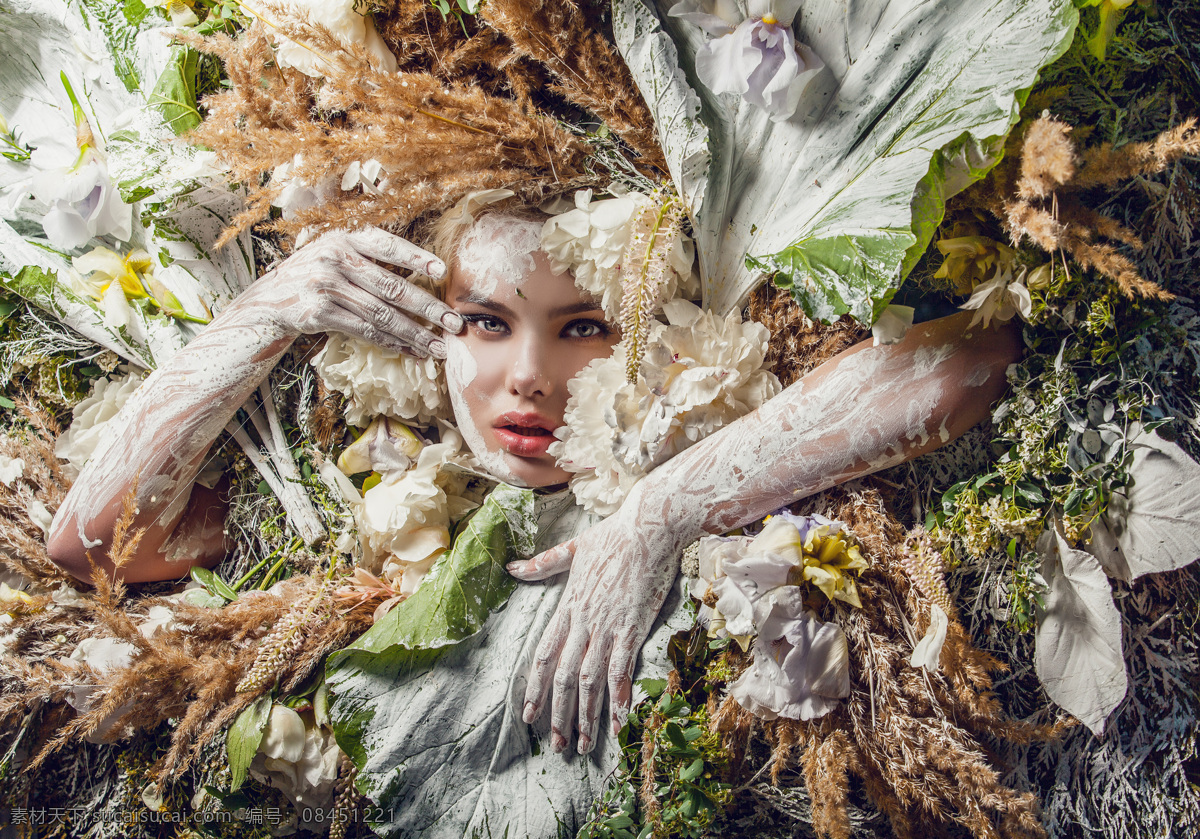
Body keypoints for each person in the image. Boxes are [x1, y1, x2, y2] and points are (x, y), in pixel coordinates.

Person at [46, 200, 1019, 834]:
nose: (527, 374)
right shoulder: (350, 473)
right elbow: (94, 542)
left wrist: (663, 510)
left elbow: (970, 358)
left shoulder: (702, 408)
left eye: (582, 325)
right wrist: (267, 309)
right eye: (484, 321)